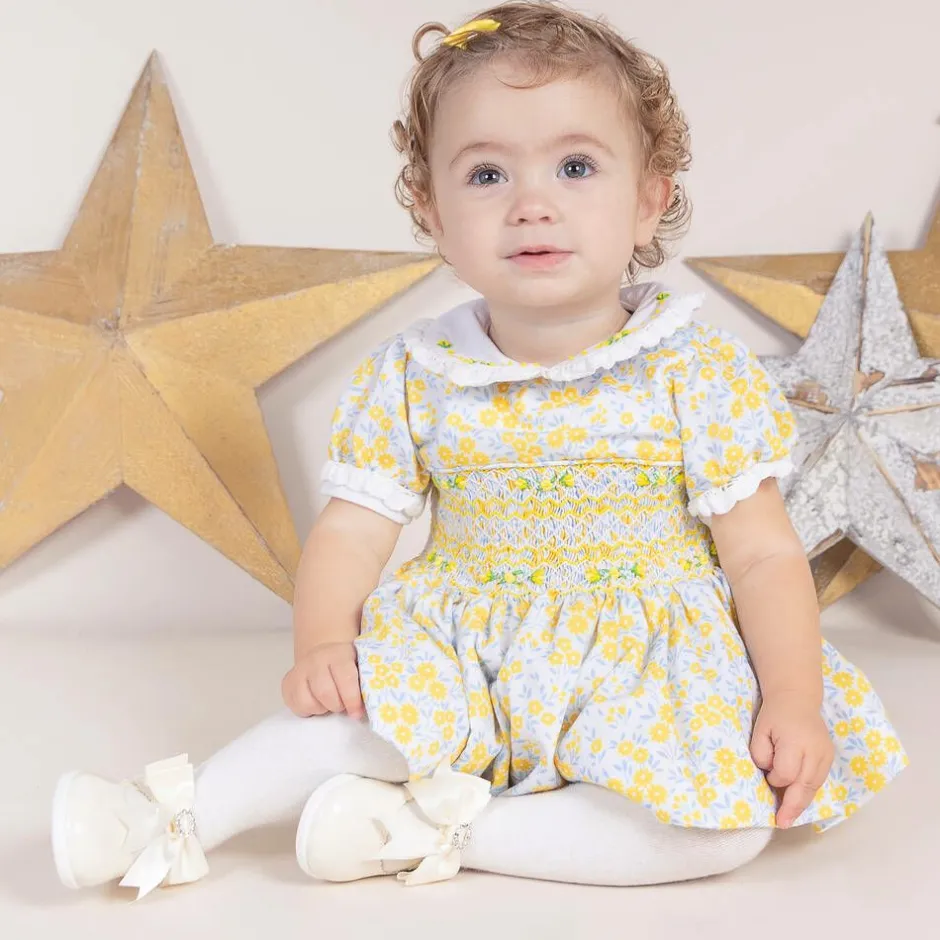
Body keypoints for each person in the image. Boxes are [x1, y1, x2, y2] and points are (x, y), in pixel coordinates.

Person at [52, 1, 907, 900]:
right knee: (340, 726)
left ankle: (427, 829)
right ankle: (166, 818)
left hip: (647, 665)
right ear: (433, 211)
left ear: (649, 199)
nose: (533, 204)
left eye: (576, 166)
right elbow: (353, 530)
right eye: (487, 173)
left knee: (720, 829)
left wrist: (791, 698)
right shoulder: (418, 371)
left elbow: (764, 554)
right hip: (464, 651)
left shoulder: (694, 370)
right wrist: (324, 641)